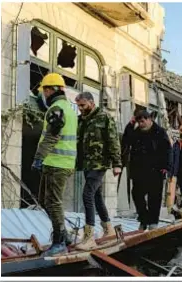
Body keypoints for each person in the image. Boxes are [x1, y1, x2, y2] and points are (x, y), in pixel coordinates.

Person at [32, 73, 77, 256]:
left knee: (53, 202)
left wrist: (38, 158)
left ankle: (59, 241)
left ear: (50, 90)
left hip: (56, 163)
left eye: (44, 90)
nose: (43, 94)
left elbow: (52, 136)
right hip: (58, 163)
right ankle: (64, 235)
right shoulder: (68, 108)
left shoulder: (57, 109)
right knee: (45, 201)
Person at [75, 92, 122, 251]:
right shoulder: (81, 120)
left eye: (83, 105)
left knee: (86, 194)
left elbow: (113, 140)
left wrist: (117, 163)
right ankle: (108, 229)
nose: (80, 109)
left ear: (91, 102)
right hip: (87, 164)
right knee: (96, 196)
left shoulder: (104, 117)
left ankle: (89, 237)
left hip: (100, 163)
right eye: (78, 106)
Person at [122, 110, 172, 230]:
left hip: (156, 170)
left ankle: (153, 222)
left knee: (154, 197)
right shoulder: (136, 132)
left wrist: (166, 167)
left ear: (149, 119)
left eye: (143, 121)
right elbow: (126, 140)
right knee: (137, 195)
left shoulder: (160, 132)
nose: (141, 124)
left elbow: (167, 150)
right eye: (139, 122)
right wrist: (130, 124)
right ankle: (144, 219)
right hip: (139, 170)